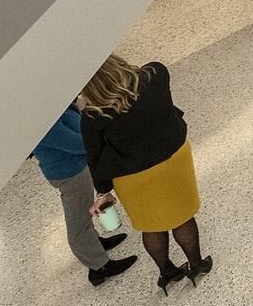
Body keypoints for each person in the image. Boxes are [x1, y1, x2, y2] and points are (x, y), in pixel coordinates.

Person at [77, 54, 210, 291]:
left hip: (131, 175)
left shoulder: (92, 115)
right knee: (182, 216)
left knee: (152, 225)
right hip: (172, 160)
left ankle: (167, 272)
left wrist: (104, 192)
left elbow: (94, 156)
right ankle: (197, 264)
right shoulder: (156, 74)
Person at [30, 105, 135, 287]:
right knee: (78, 220)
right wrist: (102, 137)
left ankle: (94, 243)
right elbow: (78, 144)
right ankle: (98, 267)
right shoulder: (42, 122)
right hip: (70, 174)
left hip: (75, 168)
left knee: (83, 210)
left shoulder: (54, 108)